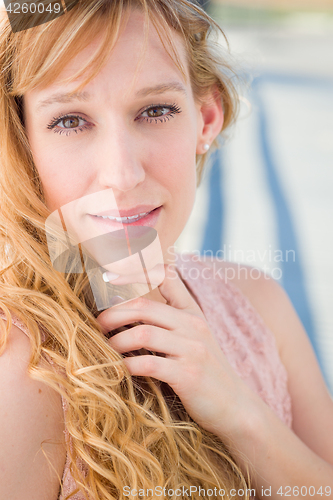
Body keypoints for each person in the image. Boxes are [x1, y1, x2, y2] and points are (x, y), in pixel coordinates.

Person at [0, 1, 332, 500]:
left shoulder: (256, 302)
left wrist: (241, 413)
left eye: (155, 110)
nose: (122, 173)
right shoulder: (20, 358)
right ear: (24, 141)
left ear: (206, 118)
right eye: (70, 121)